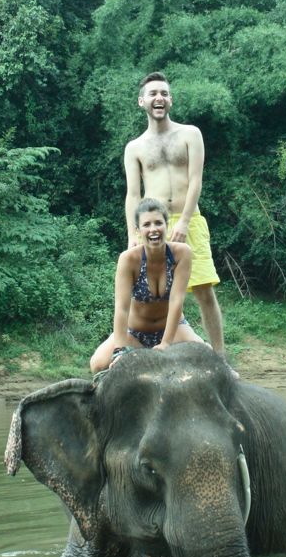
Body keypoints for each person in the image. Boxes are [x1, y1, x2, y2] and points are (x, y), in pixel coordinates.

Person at [124, 71, 225, 353]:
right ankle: (156, 352)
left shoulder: (190, 134)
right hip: (153, 228)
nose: (159, 98)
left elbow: (196, 181)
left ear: (171, 100)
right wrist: (133, 234)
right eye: (153, 94)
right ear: (142, 101)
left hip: (188, 221)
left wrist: (184, 221)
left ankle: (220, 358)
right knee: (154, 296)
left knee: (204, 291)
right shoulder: (134, 147)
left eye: (164, 93)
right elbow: (133, 195)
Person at [90, 198, 205, 373]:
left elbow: (176, 301)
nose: (153, 229)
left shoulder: (182, 253)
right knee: (97, 364)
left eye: (158, 223)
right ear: (138, 230)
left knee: (209, 357)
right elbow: (121, 308)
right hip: (135, 333)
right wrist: (120, 350)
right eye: (146, 224)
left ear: (167, 225)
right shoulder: (128, 259)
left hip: (174, 331)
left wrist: (166, 343)